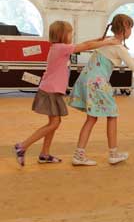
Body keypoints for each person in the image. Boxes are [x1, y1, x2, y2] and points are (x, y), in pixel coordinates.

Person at [13, 21, 120, 166]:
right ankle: (22, 146)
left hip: (51, 91)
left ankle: (44, 154)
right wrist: (107, 42)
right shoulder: (61, 48)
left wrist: (98, 40)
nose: (72, 35)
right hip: (50, 91)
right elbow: (85, 46)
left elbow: (84, 43)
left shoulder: (59, 47)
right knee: (54, 123)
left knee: (53, 123)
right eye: (70, 33)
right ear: (63, 35)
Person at [69, 14, 134, 166]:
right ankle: (113, 153)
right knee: (112, 114)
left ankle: (79, 154)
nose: (131, 31)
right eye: (130, 27)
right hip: (98, 84)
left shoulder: (109, 41)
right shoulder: (118, 46)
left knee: (92, 118)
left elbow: (128, 58)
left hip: (86, 80)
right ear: (124, 27)